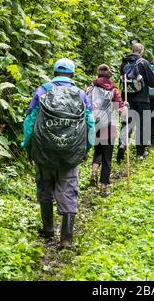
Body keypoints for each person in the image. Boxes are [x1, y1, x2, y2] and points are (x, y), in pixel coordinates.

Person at [21, 58, 95, 249]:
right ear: (72, 74)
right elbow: (90, 124)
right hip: (71, 154)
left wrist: (28, 147)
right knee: (69, 190)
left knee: (45, 187)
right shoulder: (80, 94)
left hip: (44, 151)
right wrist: (85, 148)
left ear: (54, 73)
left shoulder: (42, 91)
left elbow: (30, 122)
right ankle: (66, 238)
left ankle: (47, 230)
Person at [86, 64, 126, 196]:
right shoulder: (114, 90)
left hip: (95, 124)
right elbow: (120, 109)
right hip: (109, 126)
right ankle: (104, 186)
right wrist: (125, 107)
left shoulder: (91, 87)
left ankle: (93, 172)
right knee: (107, 158)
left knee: (97, 150)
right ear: (109, 75)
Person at [116, 43, 154, 162]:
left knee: (127, 123)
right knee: (143, 125)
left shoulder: (124, 62)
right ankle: (140, 152)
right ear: (142, 51)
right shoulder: (143, 63)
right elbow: (153, 83)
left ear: (132, 50)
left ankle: (122, 144)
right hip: (142, 99)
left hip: (127, 98)